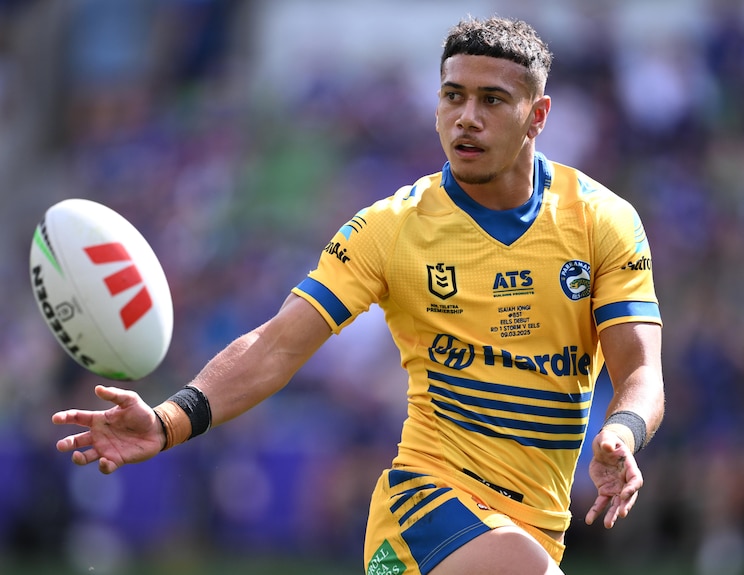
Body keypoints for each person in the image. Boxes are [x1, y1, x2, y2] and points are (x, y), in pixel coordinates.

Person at [53, 16, 664, 575]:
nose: (466, 117)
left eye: (492, 100)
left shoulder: (600, 220)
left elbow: (640, 368)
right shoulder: (390, 227)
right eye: (453, 96)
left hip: (536, 525)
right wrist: (167, 421)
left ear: (539, 115)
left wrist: (623, 433)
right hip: (422, 515)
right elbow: (276, 344)